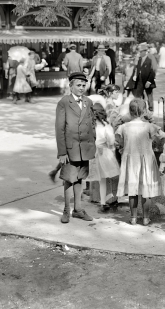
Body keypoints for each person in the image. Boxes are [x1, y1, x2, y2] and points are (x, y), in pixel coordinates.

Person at [115, 98, 165, 225]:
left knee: (132, 191)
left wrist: (122, 146)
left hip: (131, 161)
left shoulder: (123, 127)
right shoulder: (149, 126)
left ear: (129, 112)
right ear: (144, 111)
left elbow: (118, 141)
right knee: (145, 192)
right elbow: (162, 136)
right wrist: (151, 120)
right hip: (146, 161)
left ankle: (133, 217)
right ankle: (146, 218)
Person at [55, 72, 96, 223]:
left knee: (80, 178)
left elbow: (92, 124)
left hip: (84, 148)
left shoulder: (88, 101)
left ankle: (78, 209)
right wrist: (62, 151)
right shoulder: (64, 102)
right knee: (68, 178)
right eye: (78, 85)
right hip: (70, 149)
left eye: (83, 85)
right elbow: (59, 128)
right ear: (70, 86)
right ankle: (67, 209)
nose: (81, 88)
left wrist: (93, 143)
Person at [86, 103, 121, 210]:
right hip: (104, 153)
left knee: (101, 179)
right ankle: (106, 200)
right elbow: (110, 141)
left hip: (92, 153)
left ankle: (103, 201)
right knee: (108, 177)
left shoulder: (88, 126)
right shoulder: (106, 126)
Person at [130, 43, 157, 113]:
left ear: (145, 51)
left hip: (148, 80)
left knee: (149, 95)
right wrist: (135, 75)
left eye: (141, 51)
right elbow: (137, 68)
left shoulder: (150, 58)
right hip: (140, 80)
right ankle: (141, 109)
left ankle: (151, 110)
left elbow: (153, 70)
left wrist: (149, 81)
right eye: (140, 52)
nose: (140, 53)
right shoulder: (139, 59)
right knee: (139, 95)